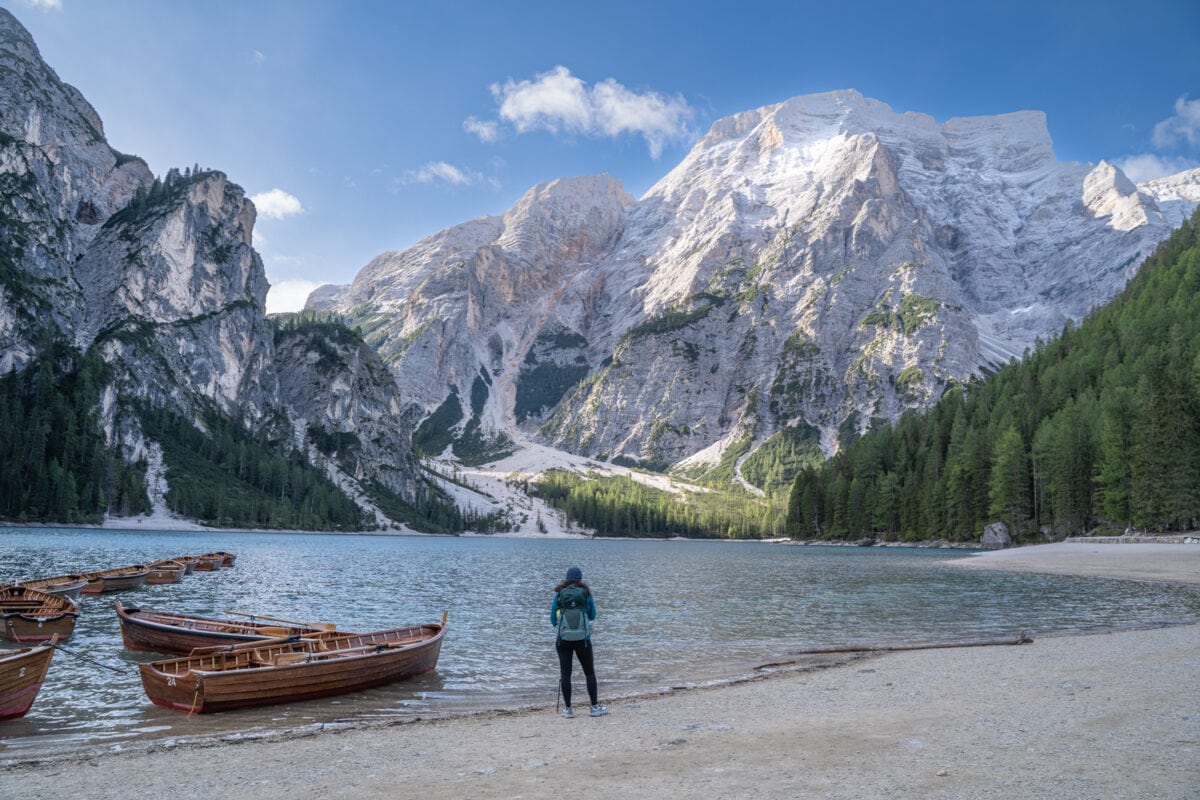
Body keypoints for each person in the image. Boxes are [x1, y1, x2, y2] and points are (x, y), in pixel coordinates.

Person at [550, 566, 608, 718]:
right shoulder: (585, 593)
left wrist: (563, 627)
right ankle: (594, 707)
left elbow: (552, 619)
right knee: (589, 673)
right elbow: (593, 615)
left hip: (563, 640)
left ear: (567, 578)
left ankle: (568, 709)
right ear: (580, 579)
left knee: (565, 674)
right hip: (584, 640)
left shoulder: (559, 594)